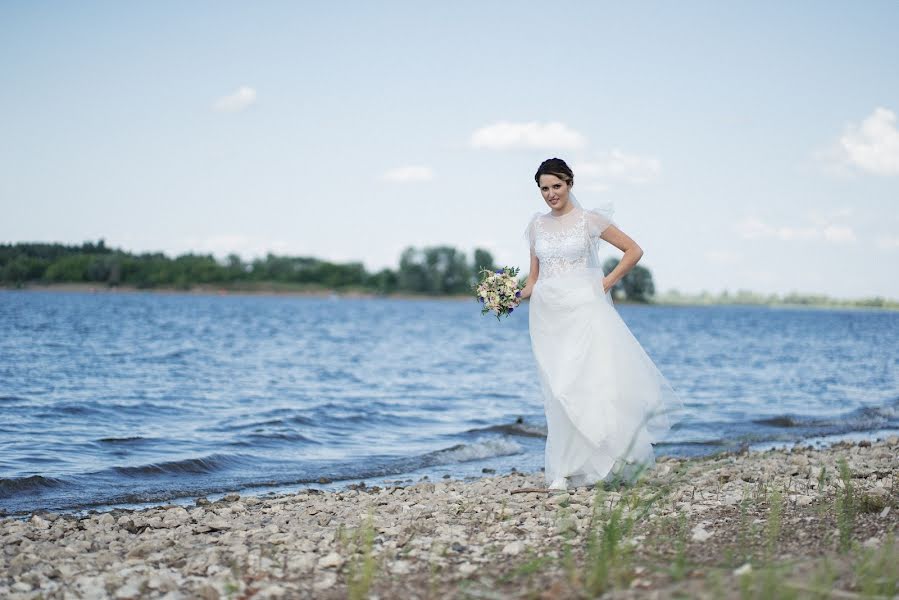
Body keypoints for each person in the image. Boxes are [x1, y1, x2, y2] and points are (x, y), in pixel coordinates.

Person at [520, 158, 681, 491]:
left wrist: (605, 284)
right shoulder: (536, 226)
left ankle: (601, 462)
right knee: (558, 389)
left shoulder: (589, 220)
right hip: (548, 316)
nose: (550, 194)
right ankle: (565, 470)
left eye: (556, 186)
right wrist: (507, 296)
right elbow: (534, 280)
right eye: (544, 188)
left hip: (585, 311)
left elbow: (633, 251)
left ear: (569, 184)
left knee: (585, 384)